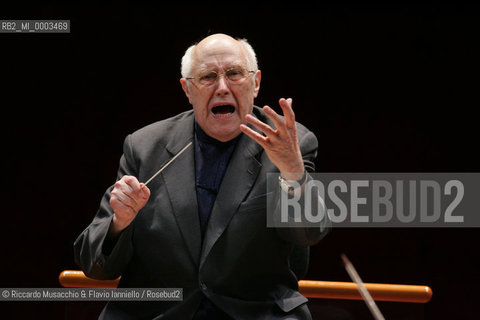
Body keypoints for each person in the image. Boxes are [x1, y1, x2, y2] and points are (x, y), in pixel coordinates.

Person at [74, 33, 328, 320]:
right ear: (187, 89)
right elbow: (94, 265)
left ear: (256, 83)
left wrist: (293, 173)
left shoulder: (291, 143)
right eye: (208, 77)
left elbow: (310, 232)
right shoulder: (145, 147)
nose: (222, 88)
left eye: (234, 74)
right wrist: (120, 222)